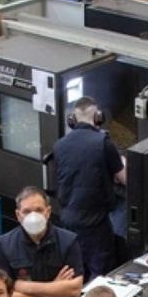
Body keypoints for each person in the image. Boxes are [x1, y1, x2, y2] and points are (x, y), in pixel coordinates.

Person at [0, 186, 85, 297]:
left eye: (38, 210)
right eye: (27, 211)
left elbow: (73, 290)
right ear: (18, 215)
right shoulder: (6, 246)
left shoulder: (68, 241)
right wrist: (55, 287)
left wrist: (23, 286)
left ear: (48, 212)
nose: (33, 216)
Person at [52, 96, 126, 280]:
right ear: (97, 117)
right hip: (95, 224)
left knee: (75, 272)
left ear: (72, 120)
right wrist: (121, 162)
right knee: (100, 274)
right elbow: (124, 178)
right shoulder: (103, 143)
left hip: (67, 222)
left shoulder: (59, 145)